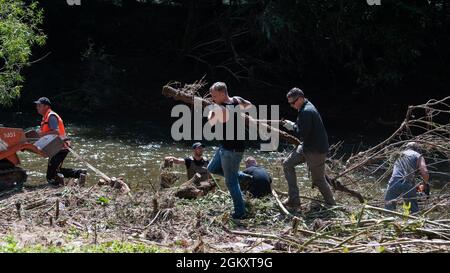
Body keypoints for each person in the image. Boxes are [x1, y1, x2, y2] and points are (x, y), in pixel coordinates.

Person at [281, 88, 335, 208]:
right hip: (306, 146)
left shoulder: (306, 111)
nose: (291, 105)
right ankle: (294, 199)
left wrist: (292, 126)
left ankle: (332, 204)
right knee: (287, 164)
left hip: (316, 150)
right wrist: (294, 125)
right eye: (289, 103)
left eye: (293, 103)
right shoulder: (305, 107)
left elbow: (301, 134)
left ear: (300, 98)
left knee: (319, 180)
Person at [206, 82, 252, 219]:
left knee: (231, 182)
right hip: (226, 147)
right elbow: (250, 105)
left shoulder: (220, 109)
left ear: (222, 93)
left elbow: (210, 124)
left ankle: (240, 212)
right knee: (212, 168)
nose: (212, 98)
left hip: (231, 150)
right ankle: (243, 177)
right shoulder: (237, 100)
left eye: (214, 96)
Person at [34, 97, 86, 185]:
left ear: (46, 106)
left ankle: (79, 173)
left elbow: (56, 132)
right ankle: (79, 173)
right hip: (55, 147)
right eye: (37, 105)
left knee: (50, 176)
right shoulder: (45, 117)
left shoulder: (51, 116)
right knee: (55, 171)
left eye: (39, 105)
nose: (37, 107)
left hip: (61, 147)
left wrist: (42, 135)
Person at [384, 142, 429, 214]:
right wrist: (425, 183)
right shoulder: (418, 155)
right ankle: (414, 222)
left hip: (394, 181)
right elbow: (425, 172)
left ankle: (387, 223)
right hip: (408, 183)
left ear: (406, 148)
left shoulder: (398, 154)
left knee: (388, 208)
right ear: (417, 149)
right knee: (413, 211)